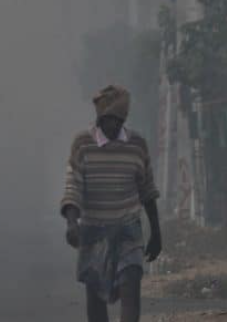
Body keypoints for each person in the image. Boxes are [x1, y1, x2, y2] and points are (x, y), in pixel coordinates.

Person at [60, 85, 162, 322]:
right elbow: (73, 185)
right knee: (96, 297)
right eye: (106, 120)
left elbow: (147, 190)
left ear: (123, 119)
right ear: (99, 118)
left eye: (117, 120)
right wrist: (72, 222)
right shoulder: (83, 144)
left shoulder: (137, 145)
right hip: (94, 230)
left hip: (128, 229)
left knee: (131, 285)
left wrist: (156, 233)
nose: (111, 126)